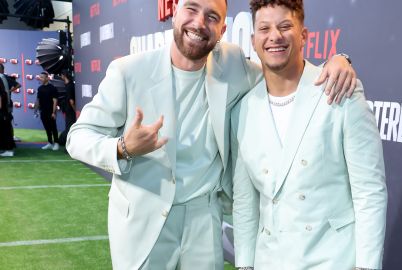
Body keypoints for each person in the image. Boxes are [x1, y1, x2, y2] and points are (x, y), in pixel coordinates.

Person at [66, 0, 357, 269]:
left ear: (222, 29)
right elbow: (77, 137)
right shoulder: (128, 72)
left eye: (212, 16)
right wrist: (122, 147)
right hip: (143, 218)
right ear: (174, 12)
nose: (199, 23)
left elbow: (280, 69)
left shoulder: (231, 63)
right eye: (191, 9)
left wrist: (339, 59)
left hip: (204, 217)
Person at [230, 1, 388, 270]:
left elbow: (370, 193)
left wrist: (367, 267)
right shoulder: (242, 110)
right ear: (254, 40)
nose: (275, 37)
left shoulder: (341, 91)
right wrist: (244, 265)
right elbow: (245, 202)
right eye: (265, 28)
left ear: (304, 35)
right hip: (270, 261)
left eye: (285, 26)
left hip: (332, 260)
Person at [0, 63, 21, 157]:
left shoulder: (3, 78)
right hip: (5, 106)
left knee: (6, 127)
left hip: (4, 107)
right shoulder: (5, 78)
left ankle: (9, 148)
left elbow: (18, 85)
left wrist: (8, 92)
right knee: (6, 126)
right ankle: (8, 146)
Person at [35, 71, 60, 151]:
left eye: (42, 77)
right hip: (43, 111)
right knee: (47, 128)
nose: (40, 79)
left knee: (53, 127)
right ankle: (50, 142)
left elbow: (55, 101)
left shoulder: (52, 88)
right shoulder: (40, 88)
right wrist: (36, 109)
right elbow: (38, 100)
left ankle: (56, 143)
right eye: (40, 77)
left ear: (47, 78)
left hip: (50, 111)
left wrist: (53, 112)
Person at [60, 69, 76, 138]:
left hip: (70, 111)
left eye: (61, 75)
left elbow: (71, 101)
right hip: (68, 110)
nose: (61, 77)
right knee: (69, 126)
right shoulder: (68, 85)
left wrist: (75, 110)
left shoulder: (69, 86)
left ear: (64, 76)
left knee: (70, 127)